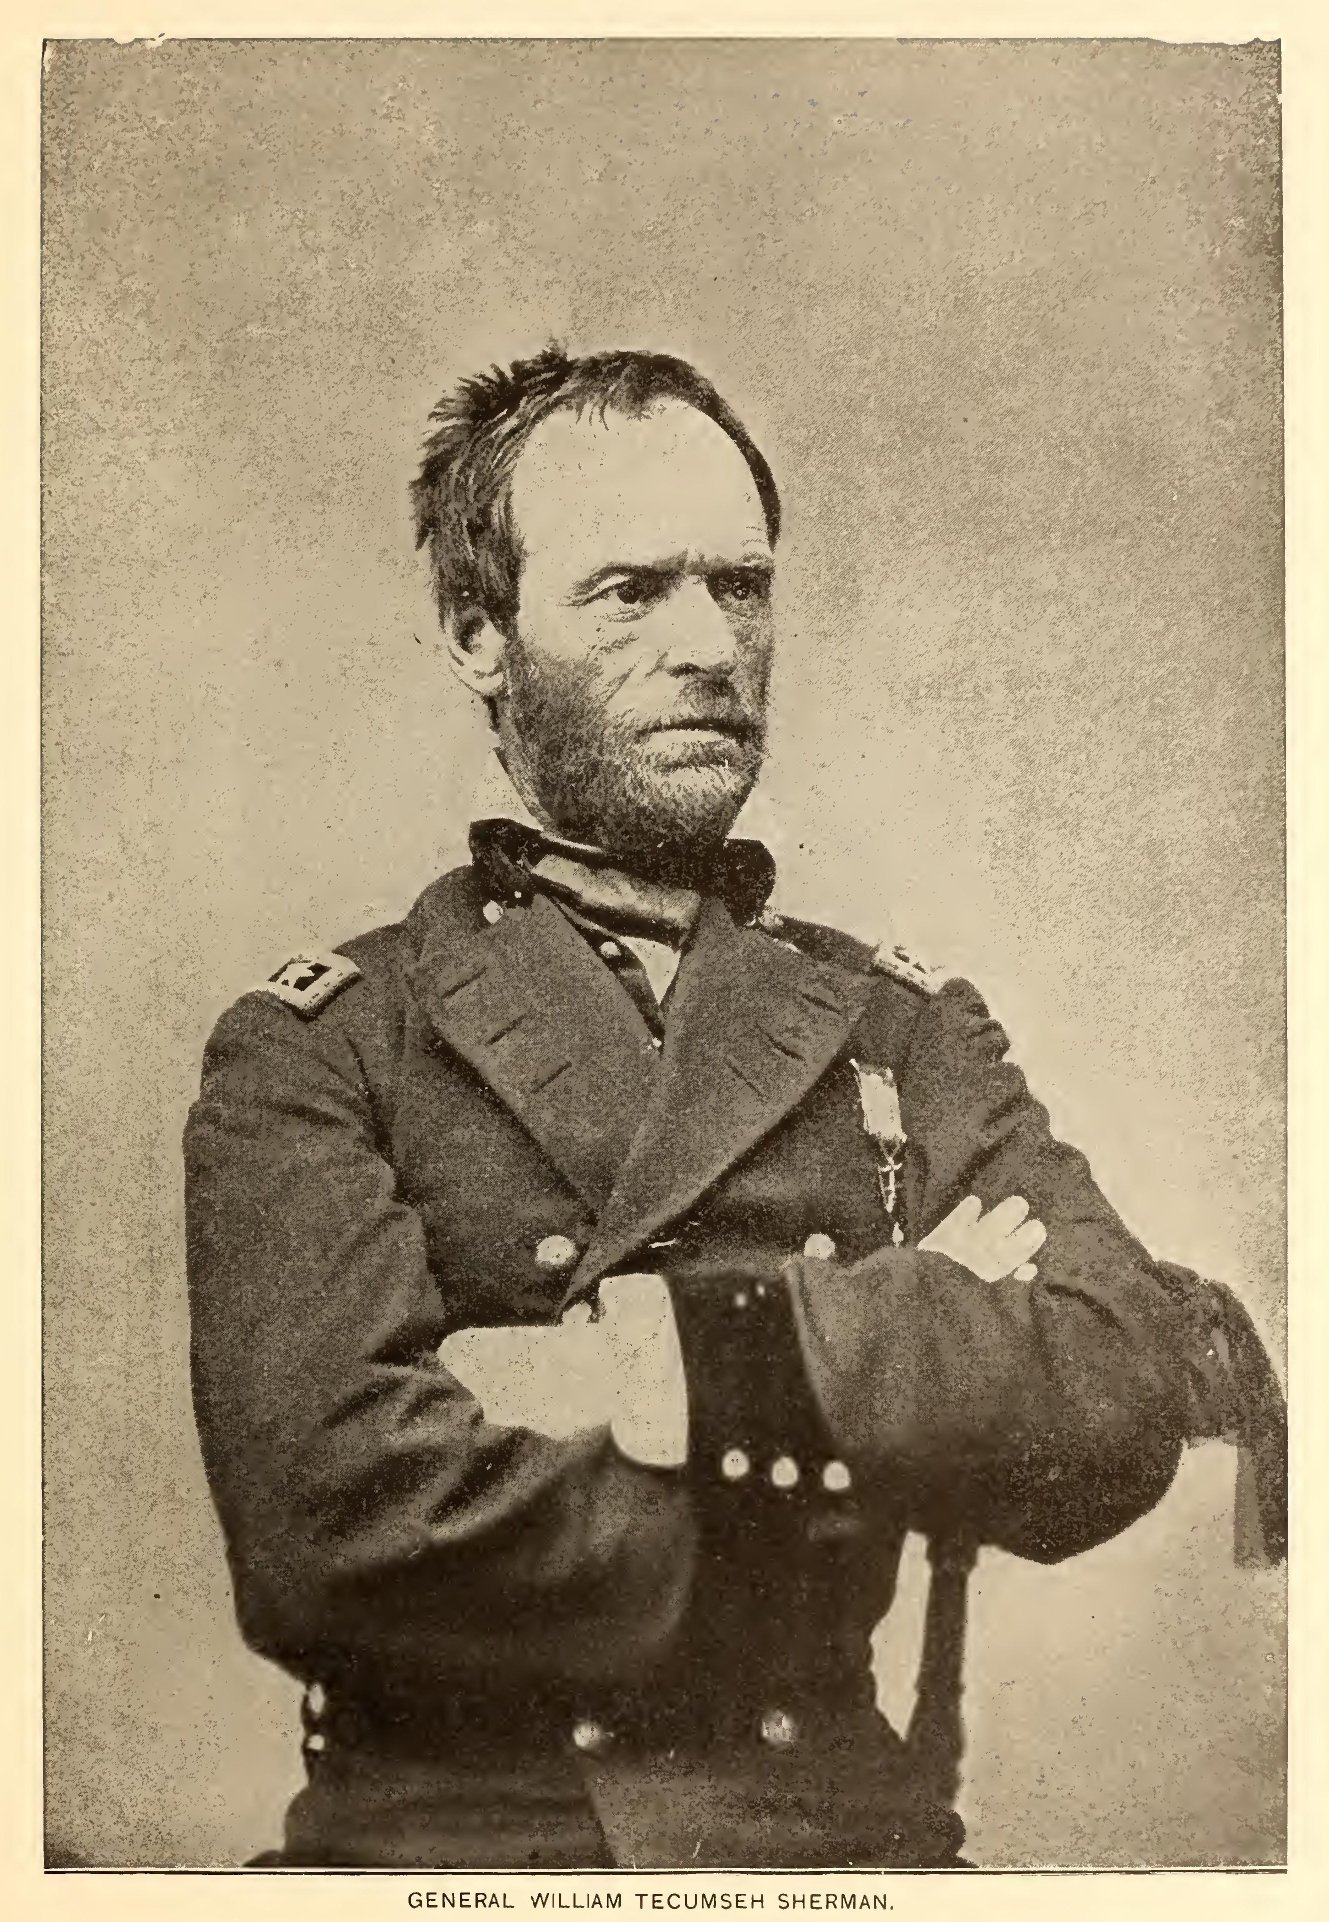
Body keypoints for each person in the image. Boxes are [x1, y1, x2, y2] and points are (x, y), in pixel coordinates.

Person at [183, 345, 1285, 1871]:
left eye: (741, 586)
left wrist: (683, 1358)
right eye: (629, 590)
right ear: (480, 635)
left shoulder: (895, 1025)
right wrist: (908, 1343)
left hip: (842, 1847)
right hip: (453, 1854)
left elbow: (1111, 1389)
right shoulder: (326, 1042)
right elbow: (332, 1535)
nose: (709, 642)